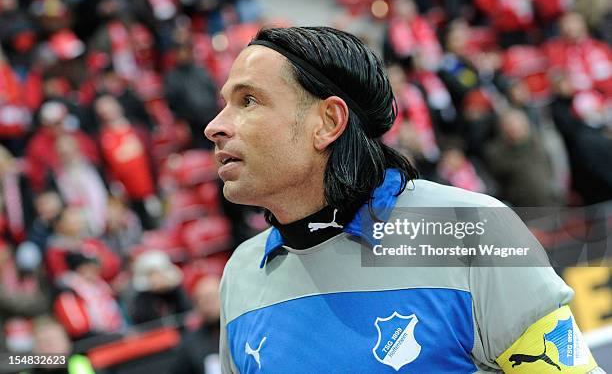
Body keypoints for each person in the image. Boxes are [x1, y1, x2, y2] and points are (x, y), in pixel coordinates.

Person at [205, 27, 602, 373]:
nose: (214, 127)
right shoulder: (240, 276)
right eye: (224, 104)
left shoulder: (468, 230)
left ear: (327, 122)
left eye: (248, 101)